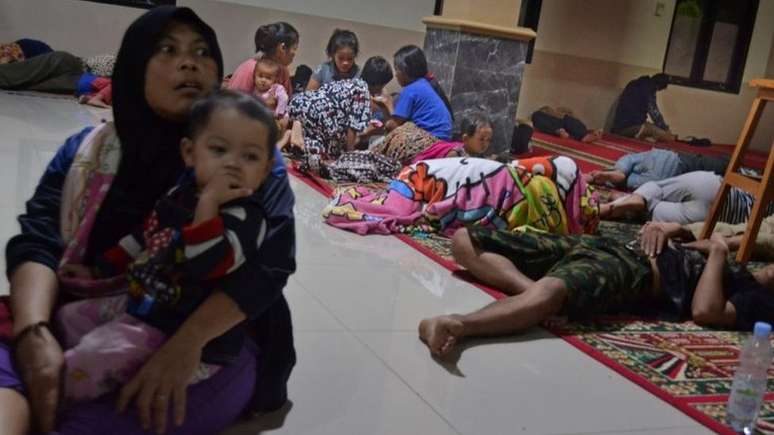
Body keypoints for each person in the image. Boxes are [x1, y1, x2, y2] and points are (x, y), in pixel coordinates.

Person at [0, 7, 296, 435]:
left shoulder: (248, 168)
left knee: (89, 419)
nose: (189, 61)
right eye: (167, 49)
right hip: (76, 311)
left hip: (202, 341)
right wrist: (34, 334)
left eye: (201, 51)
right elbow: (40, 242)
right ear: (135, 66)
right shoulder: (88, 152)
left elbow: (265, 273)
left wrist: (185, 345)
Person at [55, 90, 280, 402]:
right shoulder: (179, 193)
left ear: (266, 170)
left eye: (250, 156)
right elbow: (142, 237)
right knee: (68, 317)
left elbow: (205, 263)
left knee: (89, 359)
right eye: (219, 149)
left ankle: (56, 398)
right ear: (189, 152)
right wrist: (99, 268)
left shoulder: (248, 218)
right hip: (143, 304)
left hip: (179, 333)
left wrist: (210, 203)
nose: (233, 164)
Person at [418, 223, 774, 358]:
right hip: (611, 245)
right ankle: (532, 295)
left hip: (633, 271)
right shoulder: (747, 269)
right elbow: (690, 235)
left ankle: (457, 324)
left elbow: (705, 311)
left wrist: (717, 252)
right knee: (465, 241)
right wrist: (671, 229)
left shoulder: (759, 300)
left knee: (553, 291)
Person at [599, 170, 774, 225]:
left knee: (656, 189)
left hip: (714, 185)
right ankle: (619, 205)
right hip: (716, 218)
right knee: (650, 212)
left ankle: (632, 198)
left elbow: (745, 175)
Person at [375, 45, 453, 141]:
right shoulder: (423, 84)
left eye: (397, 70)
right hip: (444, 137)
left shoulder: (410, 90)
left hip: (430, 139)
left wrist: (388, 104)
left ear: (405, 70)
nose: (396, 75)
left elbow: (393, 127)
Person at [588, 149, 729, 190]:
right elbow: (630, 159)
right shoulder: (623, 161)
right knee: (725, 167)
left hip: (660, 179)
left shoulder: (625, 172)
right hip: (671, 162)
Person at [227, 22, 299, 97]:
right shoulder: (249, 69)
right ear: (282, 48)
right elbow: (232, 103)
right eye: (294, 48)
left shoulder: (283, 71)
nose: (295, 53)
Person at [612, 73, 675, 142]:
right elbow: (655, 114)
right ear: (658, 86)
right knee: (664, 135)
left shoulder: (635, 83)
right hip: (626, 128)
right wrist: (666, 129)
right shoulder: (648, 89)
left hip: (619, 126)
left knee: (651, 128)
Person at [410, 113, 493, 163]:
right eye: (481, 139)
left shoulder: (478, 155)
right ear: (466, 139)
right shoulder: (455, 155)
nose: (485, 144)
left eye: (488, 140)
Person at [531, 106, 602, 143]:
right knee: (536, 115)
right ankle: (586, 136)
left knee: (569, 121)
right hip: (557, 126)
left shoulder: (569, 119)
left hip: (562, 125)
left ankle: (587, 135)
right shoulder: (538, 115)